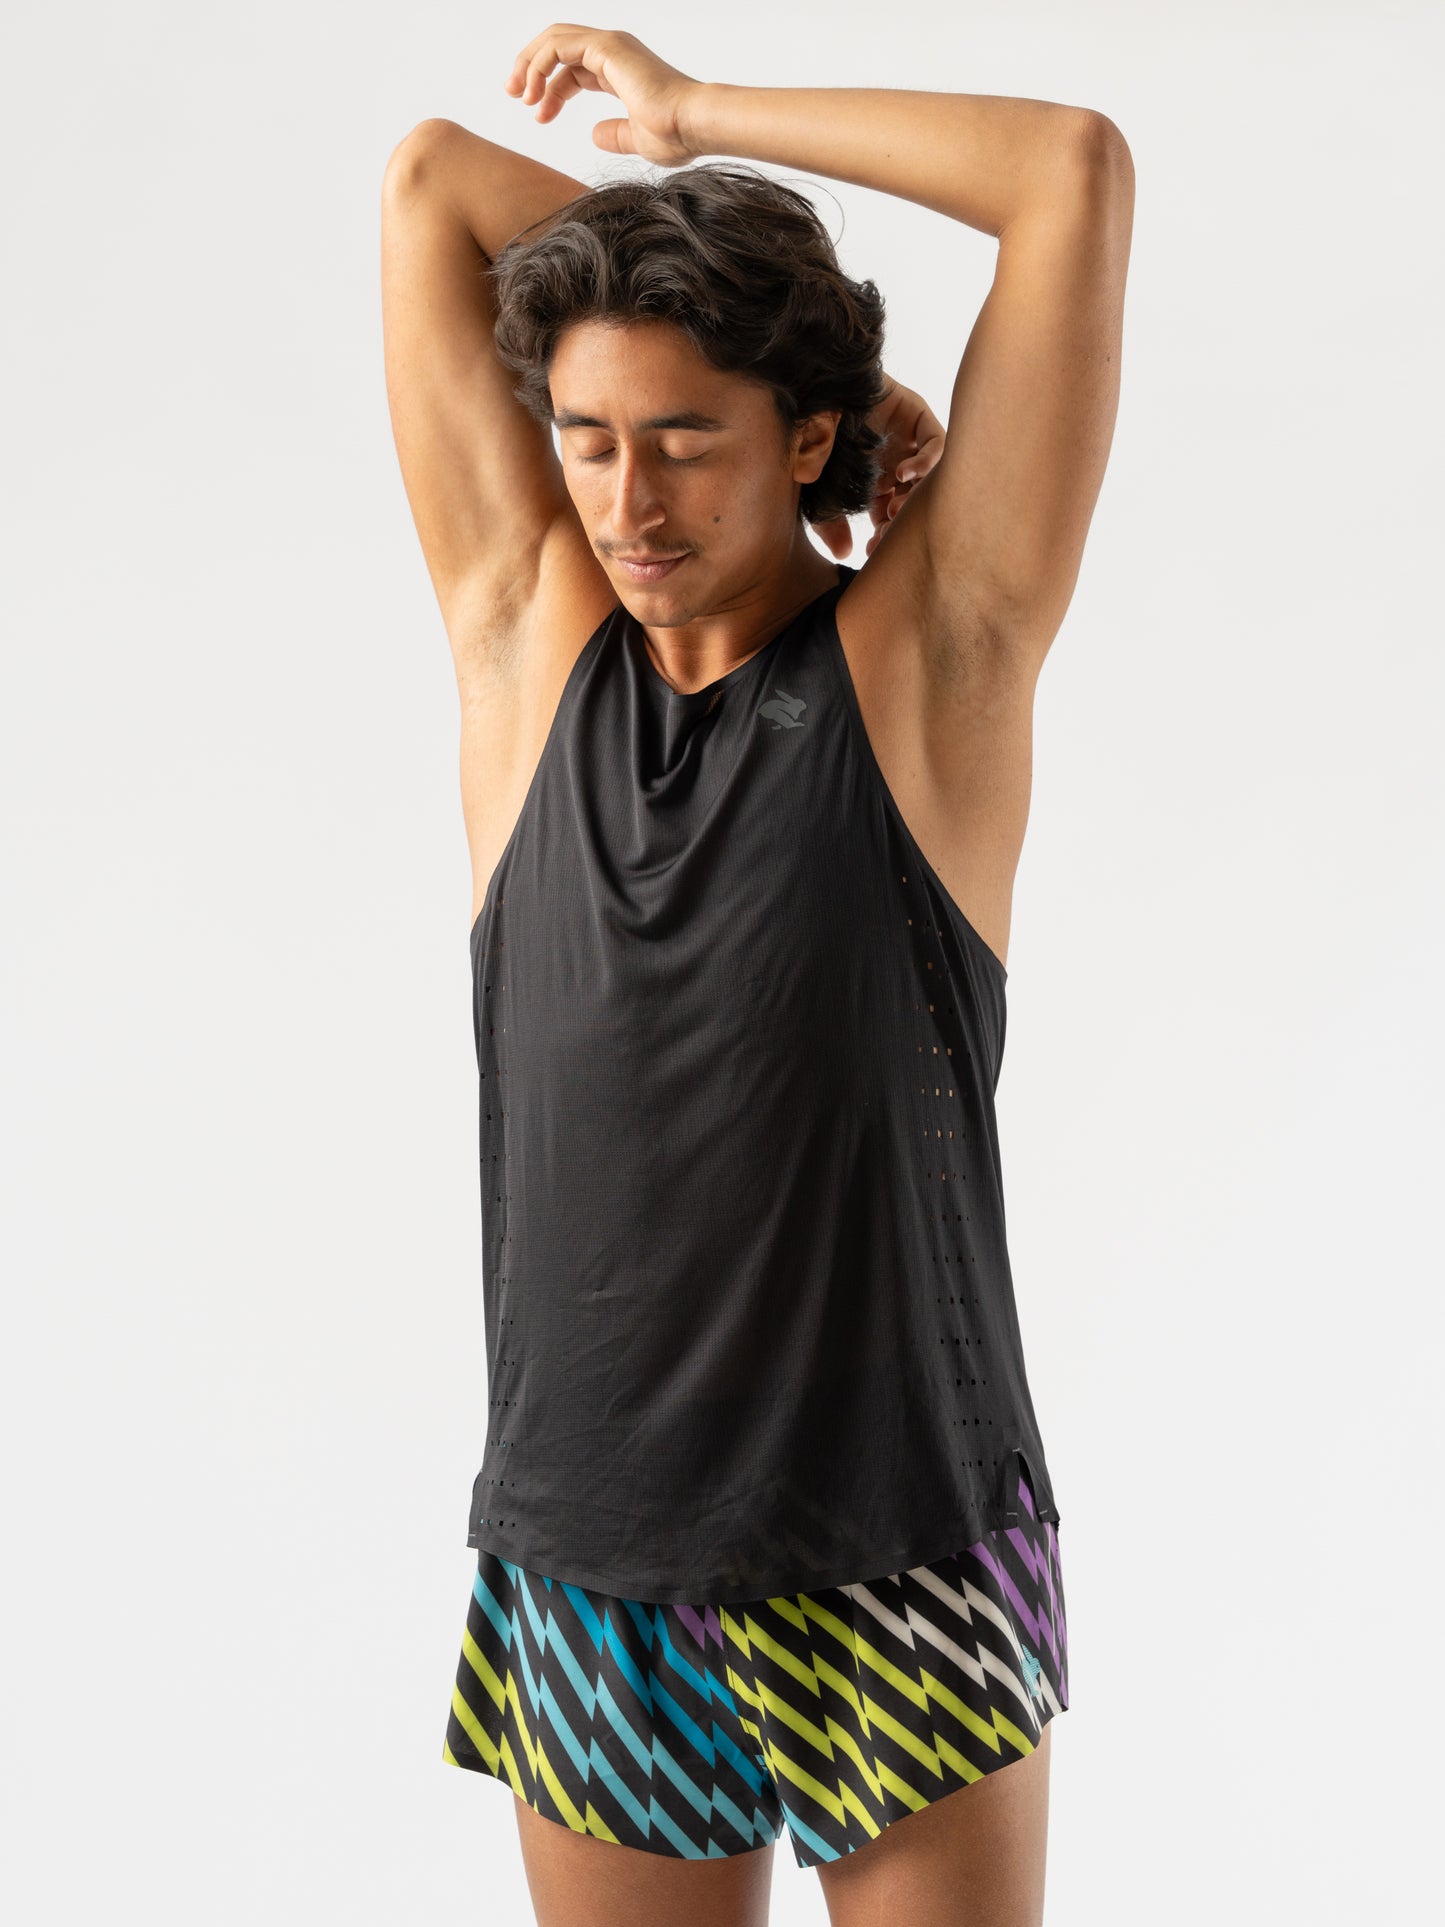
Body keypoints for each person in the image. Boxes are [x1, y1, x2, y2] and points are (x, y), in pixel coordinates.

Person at [381, 24, 1133, 1927]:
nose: (627, 504)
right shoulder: (525, 650)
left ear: (800, 444)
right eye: (587, 439)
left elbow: (1065, 170)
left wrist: (692, 123)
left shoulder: (928, 665)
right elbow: (431, 182)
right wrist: (826, 367)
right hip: (594, 1549)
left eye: (688, 441)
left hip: (903, 1540)